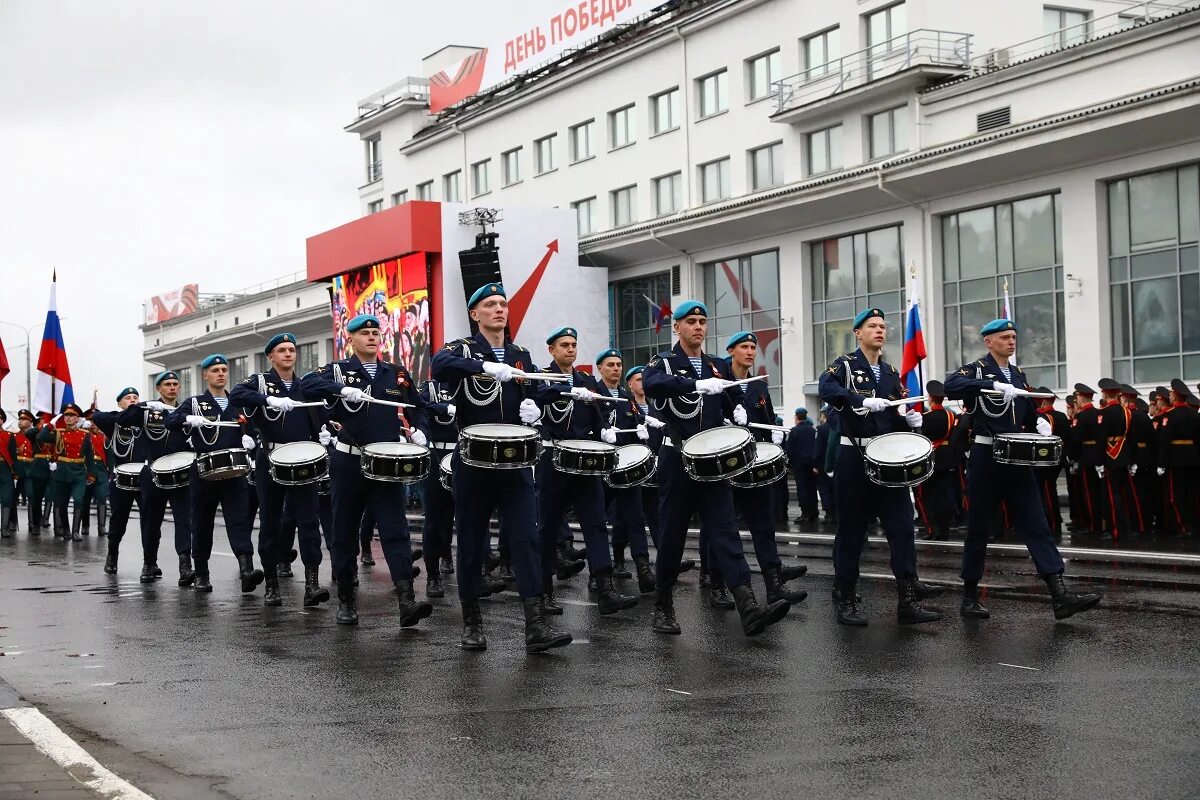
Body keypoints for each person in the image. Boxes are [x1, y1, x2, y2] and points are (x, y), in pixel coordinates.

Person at [430, 284, 572, 652]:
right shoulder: (461, 349)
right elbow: (439, 365)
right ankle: (472, 622)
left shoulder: (520, 354)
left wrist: (539, 404)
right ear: (475, 314)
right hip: (474, 462)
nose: (499, 310)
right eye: (490, 304)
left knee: (526, 537)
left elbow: (540, 387)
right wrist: (485, 366)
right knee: (473, 540)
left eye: (503, 304)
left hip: (515, 462)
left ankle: (535, 625)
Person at [643, 300, 790, 637]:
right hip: (677, 458)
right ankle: (663, 604)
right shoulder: (663, 362)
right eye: (691, 321)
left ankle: (748, 606)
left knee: (725, 531)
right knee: (672, 536)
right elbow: (651, 385)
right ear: (677, 327)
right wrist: (693, 385)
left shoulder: (716, 366)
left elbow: (727, 397)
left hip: (712, 462)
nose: (698, 326)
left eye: (702, 322)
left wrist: (737, 410)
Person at [944, 319, 1101, 620]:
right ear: (988, 341)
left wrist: (1037, 419)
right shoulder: (976, 369)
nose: (1011, 341)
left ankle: (1059, 594)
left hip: (1015, 456)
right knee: (978, 526)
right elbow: (951, 385)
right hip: (987, 453)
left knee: (1035, 522)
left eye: (1014, 336)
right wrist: (990, 384)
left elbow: (1023, 409)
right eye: (1004, 337)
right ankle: (969, 596)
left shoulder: (1017, 374)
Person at [302, 316, 432, 627]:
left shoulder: (395, 373)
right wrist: (340, 389)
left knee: (395, 530)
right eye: (365, 333)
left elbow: (418, 406)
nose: (372, 337)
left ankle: (406, 601)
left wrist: (420, 431)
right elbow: (306, 384)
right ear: (352, 339)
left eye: (376, 333)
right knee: (344, 532)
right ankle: (346, 600)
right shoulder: (337, 370)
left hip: (386, 462)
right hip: (349, 462)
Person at [818, 308, 941, 626]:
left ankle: (908, 600)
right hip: (854, 458)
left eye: (883, 326)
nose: (879, 330)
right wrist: (857, 400)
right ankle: (846, 598)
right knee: (852, 531)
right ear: (858, 332)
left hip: (887, 461)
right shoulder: (845, 365)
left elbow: (896, 410)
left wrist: (911, 418)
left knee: (901, 529)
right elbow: (826, 388)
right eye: (872, 326)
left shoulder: (889, 373)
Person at [533, 333, 638, 614]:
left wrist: (603, 427)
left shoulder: (585, 380)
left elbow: (596, 411)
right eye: (564, 346)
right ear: (551, 349)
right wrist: (565, 389)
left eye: (573, 345)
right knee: (548, 527)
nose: (570, 350)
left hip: (584, 464)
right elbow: (537, 398)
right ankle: (543, 591)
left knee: (595, 523)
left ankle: (605, 589)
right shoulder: (543, 377)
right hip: (553, 460)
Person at [230, 333, 331, 607]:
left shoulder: (305, 386)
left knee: (309, 522)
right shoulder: (260, 383)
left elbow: (325, 415)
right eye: (282, 350)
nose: (288, 354)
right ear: (271, 357)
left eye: (292, 350)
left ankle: (312, 584)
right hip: (271, 458)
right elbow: (236, 395)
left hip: (303, 460)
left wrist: (326, 434)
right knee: (271, 523)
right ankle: (272, 584)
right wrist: (267, 400)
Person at [719, 332, 807, 606]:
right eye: (744, 347)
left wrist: (775, 439)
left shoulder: (758, 385)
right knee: (723, 527)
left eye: (753, 347)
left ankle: (774, 583)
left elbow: (767, 419)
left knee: (763, 524)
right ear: (731, 351)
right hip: (726, 462)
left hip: (754, 462)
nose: (750, 352)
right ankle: (715, 583)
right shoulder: (720, 381)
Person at [166, 355, 265, 595]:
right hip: (204, 472)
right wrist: (187, 418)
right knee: (202, 523)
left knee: (239, 521)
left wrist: (252, 441)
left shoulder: (238, 402)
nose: (221, 373)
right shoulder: (195, 402)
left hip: (235, 472)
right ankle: (201, 573)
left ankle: (246, 570)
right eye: (215, 370)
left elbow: (255, 429)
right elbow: (170, 421)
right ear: (205, 375)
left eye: (224, 369)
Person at [117, 373, 195, 584]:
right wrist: (141, 405)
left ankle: (185, 565)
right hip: (152, 472)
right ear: (158, 388)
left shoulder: (185, 410)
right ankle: (149, 563)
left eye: (175, 384)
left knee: (184, 520)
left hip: (180, 473)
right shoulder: (147, 411)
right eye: (167, 385)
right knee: (151, 521)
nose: (172, 388)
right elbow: (121, 419)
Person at [594, 348, 657, 594]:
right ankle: (599, 571)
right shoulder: (594, 393)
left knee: (635, 518)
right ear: (600, 368)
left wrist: (641, 427)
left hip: (625, 466)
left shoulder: (625, 395)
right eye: (610, 365)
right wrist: (600, 429)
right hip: (601, 466)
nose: (616, 369)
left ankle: (643, 568)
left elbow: (636, 421)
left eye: (619, 364)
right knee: (597, 520)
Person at [92, 387, 146, 574]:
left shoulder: (144, 421)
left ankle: (150, 562)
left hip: (143, 478)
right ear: (119, 403)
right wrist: (124, 415)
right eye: (128, 398)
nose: (132, 400)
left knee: (149, 521)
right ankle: (112, 556)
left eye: (136, 398)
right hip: (121, 480)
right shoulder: (113, 423)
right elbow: (97, 417)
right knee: (118, 521)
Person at [39, 403, 95, 542]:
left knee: (78, 499)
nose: (68, 418)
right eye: (66, 415)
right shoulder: (58, 433)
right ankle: (66, 530)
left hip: (78, 472)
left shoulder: (85, 435)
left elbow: (89, 456)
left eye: (71, 415)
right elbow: (41, 437)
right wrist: (51, 424)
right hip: (62, 471)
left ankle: (76, 531)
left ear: (77, 419)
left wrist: (91, 474)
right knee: (61, 504)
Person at [915, 380, 959, 542]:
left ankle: (932, 529)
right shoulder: (950, 415)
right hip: (945, 459)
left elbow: (921, 437)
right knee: (943, 497)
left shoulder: (926, 417)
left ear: (931, 398)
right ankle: (944, 530)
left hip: (930, 459)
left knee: (926, 497)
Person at [1097, 378, 1141, 539]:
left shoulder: (1103, 413)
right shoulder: (1127, 412)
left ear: (1105, 393)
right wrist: (1134, 460)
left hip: (1110, 457)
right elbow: (1132, 438)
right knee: (1129, 494)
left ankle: (1115, 530)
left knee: (1112, 494)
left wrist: (1099, 462)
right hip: (1125, 456)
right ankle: (1133, 527)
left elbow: (1101, 439)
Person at [1156, 379, 1199, 538]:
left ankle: (1182, 526)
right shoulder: (1194, 414)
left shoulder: (1169, 416)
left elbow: (1164, 441)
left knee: (1175, 495)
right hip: (1193, 459)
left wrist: (1161, 463)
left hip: (1175, 459)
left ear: (1175, 395)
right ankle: (1194, 525)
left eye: (1171, 393)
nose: (1170, 396)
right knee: (1192, 493)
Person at [1070, 383, 1107, 535]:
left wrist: (1073, 458)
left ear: (1082, 398)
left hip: (1086, 456)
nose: (1076, 400)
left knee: (1088, 494)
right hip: (1099, 456)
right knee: (1100, 493)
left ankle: (1093, 525)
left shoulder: (1081, 416)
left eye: (1077, 397)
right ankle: (1102, 524)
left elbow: (1076, 440)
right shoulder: (1099, 414)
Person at [1034, 387, 1071, 539]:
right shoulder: (1061, 416)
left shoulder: (1041, 417)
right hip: (1058, 458)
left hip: (1044, 458)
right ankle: (1054, 520)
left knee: (1046, 492)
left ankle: (1051, 523)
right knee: (1050, 490)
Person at [785, 407, 818, 524]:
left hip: (799, 464)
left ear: (797, 417)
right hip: (812, 462)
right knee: (812, 487)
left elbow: (789, 449)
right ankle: (814, 512)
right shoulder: (812, 430)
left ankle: (805, 514)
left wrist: (789, 463)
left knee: (802, 488)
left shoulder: (794, 431)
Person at [0, 410, 16, 538]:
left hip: (5, 469)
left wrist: (15, 472)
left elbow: (13, 456)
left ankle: (4, 528)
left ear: (2, 421)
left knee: (6, 498)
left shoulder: (9, 436)